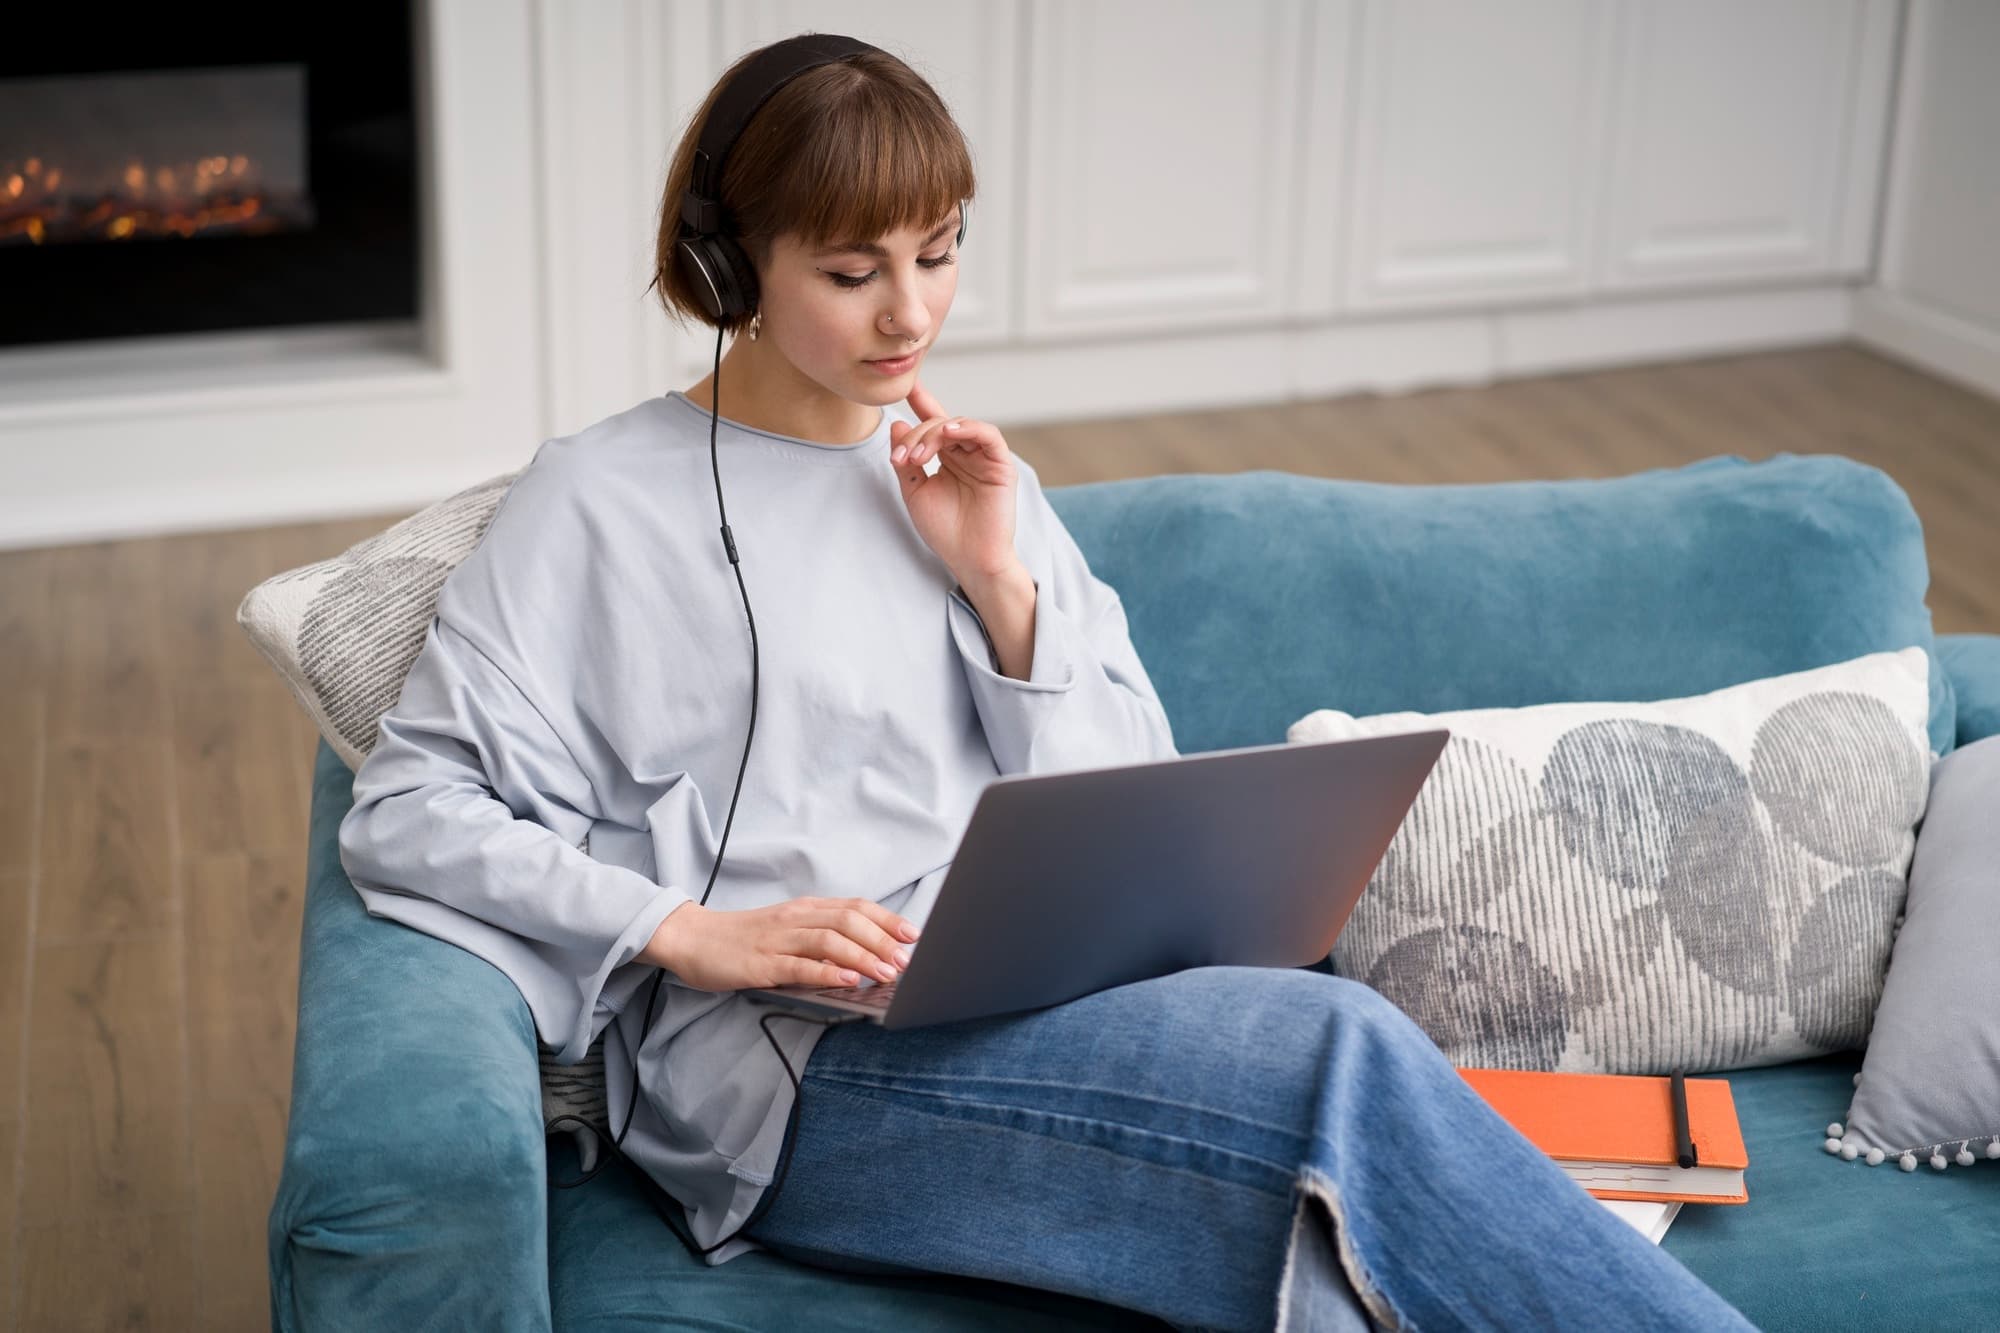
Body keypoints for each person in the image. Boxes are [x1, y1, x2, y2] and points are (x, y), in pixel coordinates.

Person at [337, 35, 1758, 1332]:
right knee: (1335, 1044)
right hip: (792, 1081)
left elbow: (1133, 792)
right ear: (729, 267)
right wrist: (678, 926)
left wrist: (1002, 593)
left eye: (940, 255)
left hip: (1043, 999)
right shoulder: (595, 503)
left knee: (1320, 1275)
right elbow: (407, 808)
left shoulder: (957, 474)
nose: (912, 315)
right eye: (853, 271)